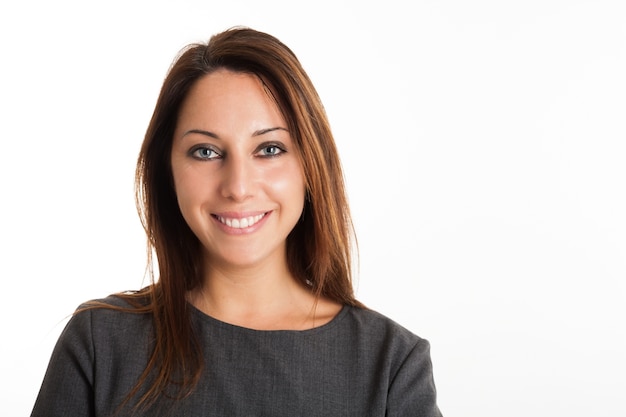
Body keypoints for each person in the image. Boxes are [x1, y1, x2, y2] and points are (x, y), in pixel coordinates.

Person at [30, 27, 442, 417]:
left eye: (269, 148)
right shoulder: (101, 344)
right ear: (167, 172)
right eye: (206, 152)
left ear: (311, 167)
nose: (238, 187)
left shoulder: (391, 365)